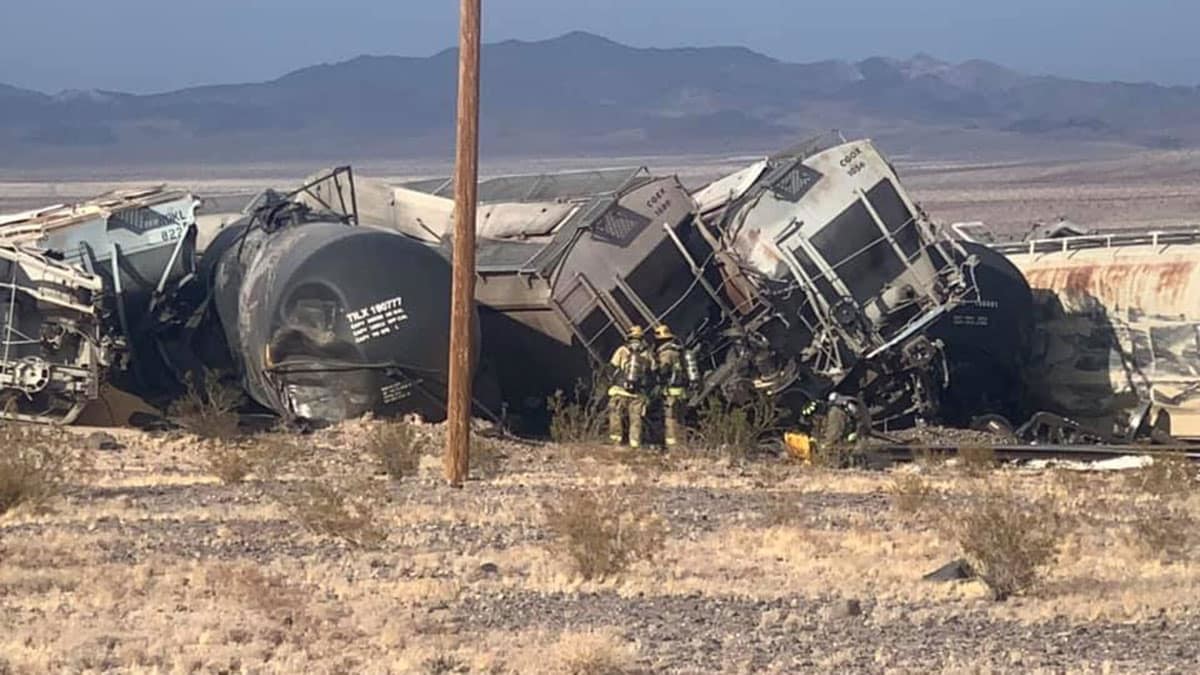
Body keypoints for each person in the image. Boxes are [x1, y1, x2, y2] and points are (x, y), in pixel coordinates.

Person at [607, 326, 655, 448]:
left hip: (620, 391)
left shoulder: (622, 350)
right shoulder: (647, 353)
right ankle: (634, 444)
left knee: (615, 416)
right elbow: (653, 371)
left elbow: (612, 367)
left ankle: (616, 442)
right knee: (636, 420)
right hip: (637, 394)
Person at [654, 324, 687, 448]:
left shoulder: (666, 353)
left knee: (671, 420)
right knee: (680, 420)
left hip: (671, 393)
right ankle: (682, 445)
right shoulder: (678, 351)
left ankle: (673, 448)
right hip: (681, 392)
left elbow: (663, 370)